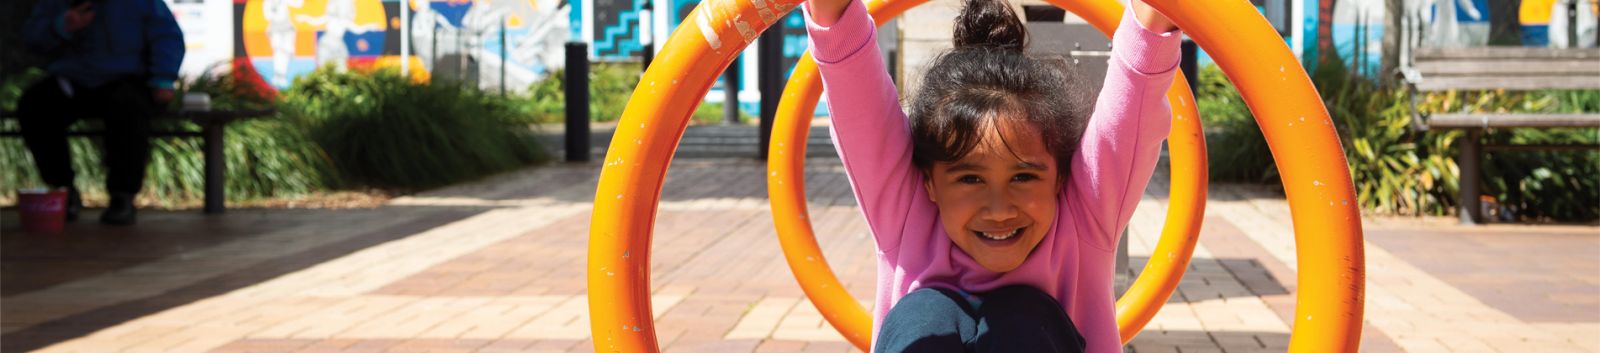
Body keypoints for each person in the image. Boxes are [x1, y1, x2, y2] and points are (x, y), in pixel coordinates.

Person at [802, 0, 1178, 351]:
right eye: (970, 179)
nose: (999, 210)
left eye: (1023, 178)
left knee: (1022, 316)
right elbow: (856, 95)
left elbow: (1134, 99)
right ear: (930, 182)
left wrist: (1157, 20)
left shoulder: (1084, 217)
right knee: (927, 313)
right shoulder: (905, 214)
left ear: (1061, 177)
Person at [20, 0, 185, 225]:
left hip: (125, 79)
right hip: (73, 80)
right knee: (35, 105)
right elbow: (32, 38)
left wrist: (164, 77)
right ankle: (62, 189)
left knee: (130, 110)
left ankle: (122, 195)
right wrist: (62, 26)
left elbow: (167, 35)